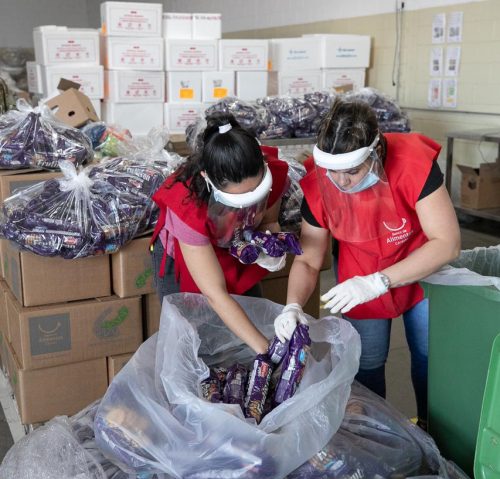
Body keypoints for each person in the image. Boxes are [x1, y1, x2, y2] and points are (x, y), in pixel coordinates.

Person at [274, 98, 461, 429]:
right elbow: (309, 261)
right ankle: (378, 436)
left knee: (430, 358)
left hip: (421, 268)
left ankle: (435, 432)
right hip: (358, 278)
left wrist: (380, 281)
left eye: (352, 172)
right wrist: (292, 306)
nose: (341, 182)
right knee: (368, 361)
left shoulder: (413, 163)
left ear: (375, 153)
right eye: (332, 171)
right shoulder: (320, 185)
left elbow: (446, 243)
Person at [151, 113, 290, 355]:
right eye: (237, 202)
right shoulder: (188, 205)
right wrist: (265, 350)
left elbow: (269, 220)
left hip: (236, 246)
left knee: (250, 317)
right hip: (186, 256)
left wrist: (270, 245)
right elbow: (214, 293)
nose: (247, 209)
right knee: (193, 340)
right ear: (207, 180)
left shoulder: (274, 175)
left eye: (256, 195)